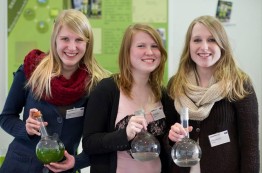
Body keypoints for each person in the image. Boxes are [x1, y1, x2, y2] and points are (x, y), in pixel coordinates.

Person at [0, 9, 109, 173]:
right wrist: (26, 129)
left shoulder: (95, 84)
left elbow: (100, 139)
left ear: (88, 43)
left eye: (79, 40)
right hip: (19, 167)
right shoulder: (31, 71)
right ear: (55, 40)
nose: (72, 47)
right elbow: (6, 118)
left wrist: (77, 162)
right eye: (65, 39)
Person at [167, 15, 259, 173]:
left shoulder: (239, 83)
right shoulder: (175, 84)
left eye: (212, 40)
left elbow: (250, 146)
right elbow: (166, 138)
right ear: (188, 45)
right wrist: (171, 137)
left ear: (222, 44)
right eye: (197, 40)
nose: (204, 47)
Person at [82, 23, 176, 173]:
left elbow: (167, 144)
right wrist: (124, 135)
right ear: (127, 52)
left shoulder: (162, 93)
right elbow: (89, 143)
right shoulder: (106, 90)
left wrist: (173, 137)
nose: (149, 52)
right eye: (141, 46)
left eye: (154, 46)